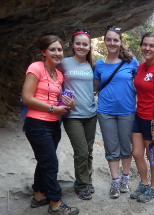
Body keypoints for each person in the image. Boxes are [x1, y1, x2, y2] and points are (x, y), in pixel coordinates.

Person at [22, 35, 79, 215]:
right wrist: (54, 108)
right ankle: (55, 204)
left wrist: (69, 104)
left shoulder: (59, 75)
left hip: (53, 125)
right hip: (36, 124)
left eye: (59, 49)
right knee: (51, 163)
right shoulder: (36, 68)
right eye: (52, 49)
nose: (57, 53)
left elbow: (63, 101)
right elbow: (27, 98)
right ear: (43, 52)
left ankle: (39, 196)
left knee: (44, 161)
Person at [94, 26, 139, 199]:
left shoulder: (131, 62)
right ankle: (115, 180)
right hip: (106, 111)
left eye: (115, 40)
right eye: (109, 40)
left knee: (126, 146)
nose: (112, 43)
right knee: (111, 147)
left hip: (127, 110)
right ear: (105, 41)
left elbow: (140, 83)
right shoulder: (99, 64)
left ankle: (125, 179)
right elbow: (96, 87)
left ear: (120, 42)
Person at [57, 29, 97, 200]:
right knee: (81, 151)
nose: (81, 47)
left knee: (88, 150)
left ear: (89, 47)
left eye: (85, 44)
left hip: (90, 113)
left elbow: (96, 86)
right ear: (72, 45)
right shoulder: (64, 63)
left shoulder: (92, 65)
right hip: (72, 115)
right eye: (78, 43)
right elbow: (52, 80)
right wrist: (60, 99)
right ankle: (81, 185)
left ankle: (87, 179)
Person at [130, 32, 154, 203]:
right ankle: (144, 184)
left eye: (151, 45)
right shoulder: (141, 67)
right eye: (145, 44)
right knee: (137, 153)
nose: (147, 48)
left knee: (152, 155)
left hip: (153, 120)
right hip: (139, 116)